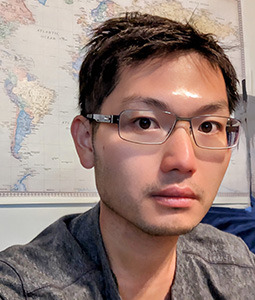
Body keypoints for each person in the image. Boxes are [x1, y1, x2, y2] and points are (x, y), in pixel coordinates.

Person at [0, 12, 254, 300]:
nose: (183, 161)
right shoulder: (21, 287)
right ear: (86, 141)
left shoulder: (236, 265)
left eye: (208, 126)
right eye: (145, 122)